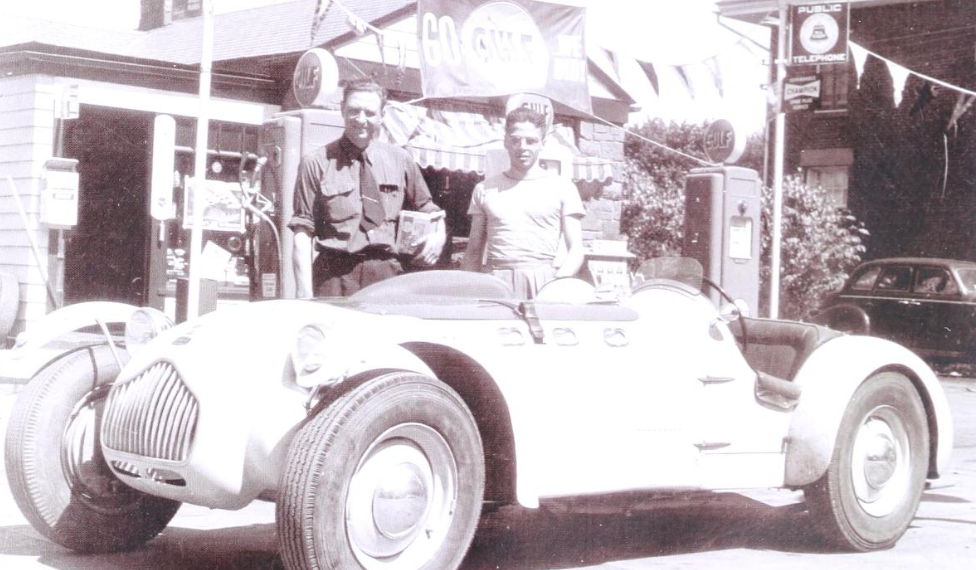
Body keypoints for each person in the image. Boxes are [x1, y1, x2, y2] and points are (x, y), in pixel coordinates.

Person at [289, 79, 445, 297]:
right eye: (354, 111)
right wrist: (304, 294)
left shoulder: (400, 160)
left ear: (382, 116)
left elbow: (428, 209)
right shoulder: (315, 163)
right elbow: (302, 232)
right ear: (342, 110)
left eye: (370, 113)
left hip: (386, 276)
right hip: (334, 276)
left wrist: (439, 236)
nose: (361, 120)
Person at [462, 106, 585, 297]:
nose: (522, 147)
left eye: (531, 141)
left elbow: (576, 251)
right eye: (515, 140)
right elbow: (473, 251)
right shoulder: (484, 189)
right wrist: (467, 292)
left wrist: (555, 285)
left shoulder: (563, 188)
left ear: (542, 143)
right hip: (495, 284)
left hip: (545, 283)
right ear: (505, 141)